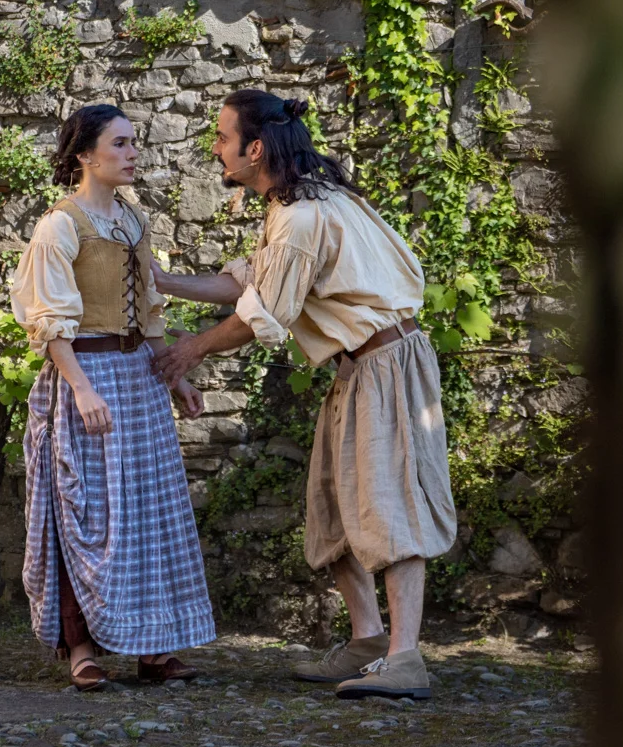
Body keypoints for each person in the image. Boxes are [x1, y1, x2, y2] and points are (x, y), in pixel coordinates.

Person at [154, 89, 456, 700]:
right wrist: (160, 280)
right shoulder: (304, 202)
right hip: (359, 366)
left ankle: (406, 658)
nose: (215, 149)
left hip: (387, 363)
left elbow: (261, 314)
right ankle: (369, 641)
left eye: (221, 138)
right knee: (334, 505)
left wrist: (192, 350)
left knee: (388, 502)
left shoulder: (301, 217)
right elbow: (247, 282)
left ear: (255, 148)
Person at [10, 103, 216, 692]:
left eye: (134, 143)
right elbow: (48, 321)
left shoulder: (132, 221)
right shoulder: (60, 226)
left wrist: (173, 377)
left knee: (146, 513)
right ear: (85, 156)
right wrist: (80, 388)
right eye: (121, 144)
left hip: (138, 379)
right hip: (87, 374)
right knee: (87, 511)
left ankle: (153, 648)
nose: (133, 154)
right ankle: (81, 646)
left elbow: (149, 309)